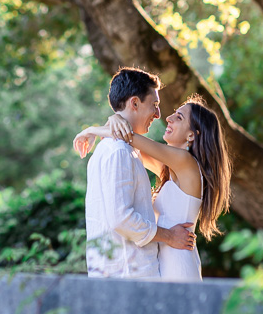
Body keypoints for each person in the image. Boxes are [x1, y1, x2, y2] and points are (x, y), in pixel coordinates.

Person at [75, 93, 231, 281]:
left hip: (178, 263)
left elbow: (128, 136)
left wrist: (91, 130)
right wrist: (115, 118)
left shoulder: (187, 163)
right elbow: (126, 140)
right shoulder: (171, 171)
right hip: (162, 261)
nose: (168, 118)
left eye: (179, 117)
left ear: (191, 135)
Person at [77, 68, 196, 279]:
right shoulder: (119, 152)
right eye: (155, 105)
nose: (161, 116)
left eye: (178, 117)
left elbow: (132, 139)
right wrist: (168, 236)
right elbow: (121, 218)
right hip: (129, 273)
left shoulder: (128, 150)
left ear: (192, 135)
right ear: (134, 103)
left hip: (139, 270)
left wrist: (96, 129)